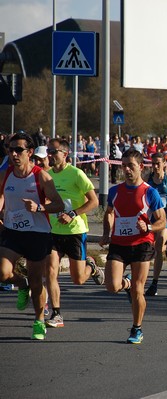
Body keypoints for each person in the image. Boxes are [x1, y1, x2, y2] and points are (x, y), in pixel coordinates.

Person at [0, 132, 65, 340]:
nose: (14, 154)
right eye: (11, 149)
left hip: (37, 233)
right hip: (12, 231)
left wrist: (39, 208)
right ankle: (21, 283)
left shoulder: (41, 176)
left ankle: (38, 320)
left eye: (18, 150)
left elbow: (59, 204)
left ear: (29, 153)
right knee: (2, 272)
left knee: (38, 281)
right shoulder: (5, 174)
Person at [100, 149, 166, 344]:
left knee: (139, 289)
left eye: (131, 166)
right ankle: (125, 283)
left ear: (141, 167)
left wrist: (149, 226)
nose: (127, 170)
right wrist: (106, 233)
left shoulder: (149, 192)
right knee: (112, 286)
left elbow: (162, 220)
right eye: (124, 166)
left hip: (142, 245)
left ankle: (137, 328)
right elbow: (109, 213)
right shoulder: (114, 191)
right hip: (119, 243)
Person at [44, 138, 102, 328]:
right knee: (51, 270)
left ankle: (91, 267)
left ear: (65, 154)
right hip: (53, 231)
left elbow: (94, 202)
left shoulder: (76, 174)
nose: (50, 155)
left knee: (78, 279)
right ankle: (57, 314)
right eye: (49, 151)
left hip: (75, 231)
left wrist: (72, 213)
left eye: (54, 152)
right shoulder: (47, 175)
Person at [144, 152, 167, 296]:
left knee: (157, 246)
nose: (156, 166)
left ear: (165, 164)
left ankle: (154, 283)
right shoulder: (147, 179)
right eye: (153, 163)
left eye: (158, 163)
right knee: (150, 247)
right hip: (152, 218)